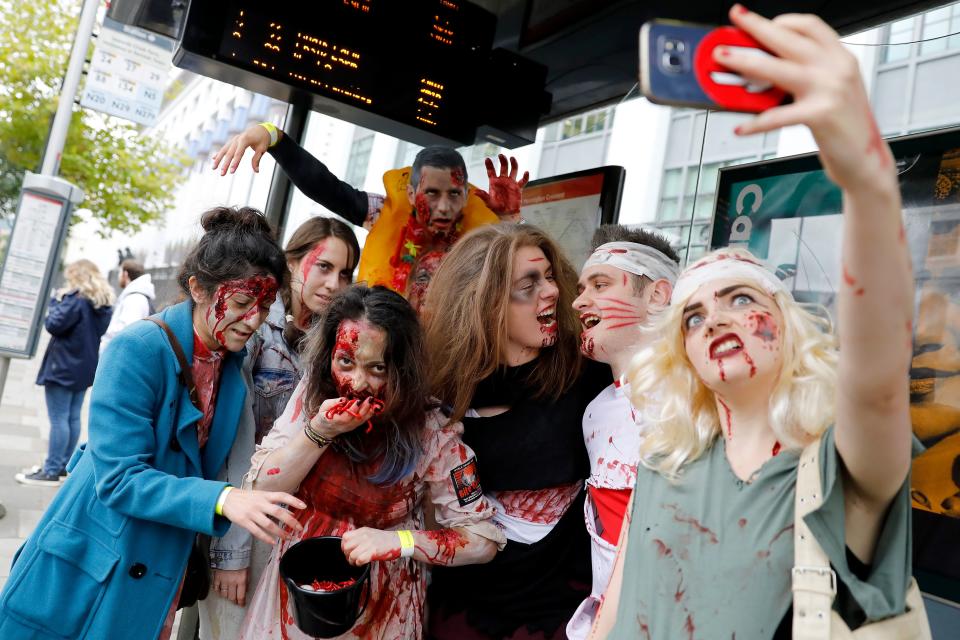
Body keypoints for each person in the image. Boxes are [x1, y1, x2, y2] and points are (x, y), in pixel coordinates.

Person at [593, 7, 917, 637]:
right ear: (681, 356)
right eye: (693, 315)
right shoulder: (663, 459)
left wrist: (868, 181)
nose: (715, 317)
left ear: (787, 326)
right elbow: (618, 604)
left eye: (741, 298)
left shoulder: (837, 466)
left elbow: (878, 381)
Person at [0, 207, 309, 640]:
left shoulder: (232, 361)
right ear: (199, 288)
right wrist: (224, 499)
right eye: (241, 303)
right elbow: (119, 479)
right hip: (93, 561)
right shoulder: (138, 348)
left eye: (263, 305)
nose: (254, 320)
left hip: (159, 566)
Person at [238, 285, 506, 639]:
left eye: (377, 368)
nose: (357, 383)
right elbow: (259, 490)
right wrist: (319, 430)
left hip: (383, 604)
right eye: (346, 362)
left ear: (403, 370)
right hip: (296, 598)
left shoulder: (432, 430)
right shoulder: (313, 395)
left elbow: (482, 541)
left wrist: (400, 542)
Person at [422, 223, 609, 639]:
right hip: (465, 609)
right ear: (485, 304)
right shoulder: (442, 395)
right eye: (528, 284)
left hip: (561, 611)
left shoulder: (589, 374)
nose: (553, 291)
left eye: (549, 276)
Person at [198, 216, 361, 640]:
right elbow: (231, 446)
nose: (333, 283)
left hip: (299, 527)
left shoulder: (338, 344)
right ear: (291, 264)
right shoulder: (254, 335)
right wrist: (230, 552)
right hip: (245, 523)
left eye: (344, 273)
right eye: (322, 267)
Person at [212, 124, 528, 313]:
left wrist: (506, 220)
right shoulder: (382, 212)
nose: (444, 207)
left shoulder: (480, 235)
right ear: (411, 191)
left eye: (455, 194)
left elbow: (515, 276)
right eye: (432, 193)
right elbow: (326, 187)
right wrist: (274, 137)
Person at [565, 226, 679, 639]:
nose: (579, 301)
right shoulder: (596, 412)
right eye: (581, 288)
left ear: (657, 296)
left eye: (600, 284)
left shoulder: (689, 401)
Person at [16, 259, 114, 486]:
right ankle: (62, 467)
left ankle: (50, 470)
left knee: (59, 418)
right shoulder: (101, 303)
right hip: (83, 367)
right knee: (71, 417)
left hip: (63, 366)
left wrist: (55, 300)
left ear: (78, 277)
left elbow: (53, 324)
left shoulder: (77, 301)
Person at [99, 258, 155, 355]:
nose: (118, 277)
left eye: (119, 273)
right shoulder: (136, 296)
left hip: (118, 357)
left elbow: (127, 332)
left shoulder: (135, 299)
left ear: (125, 274)